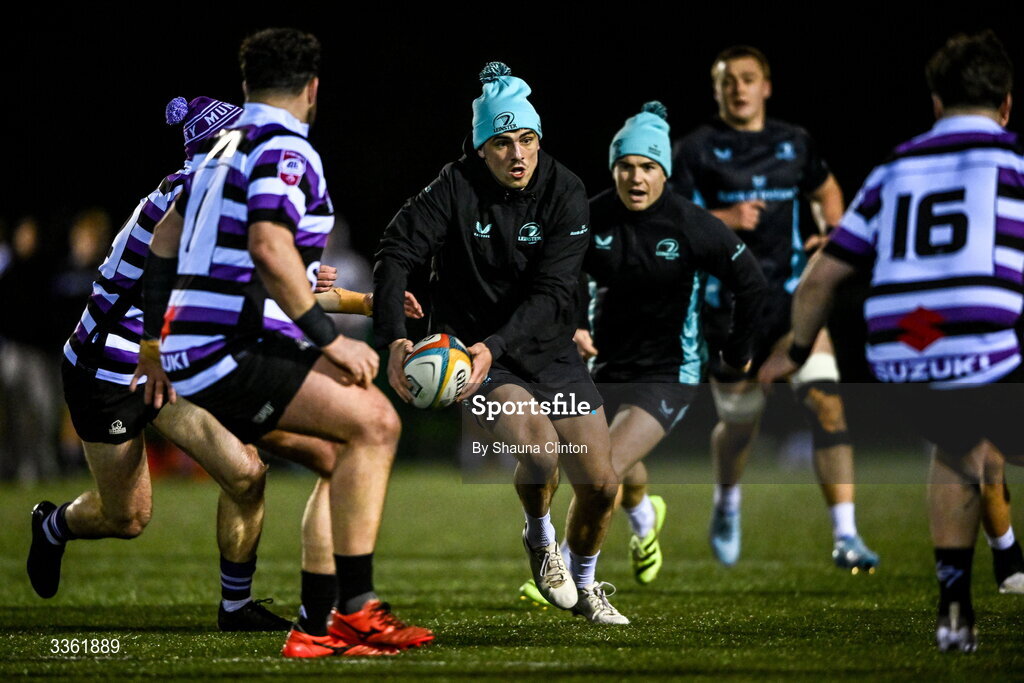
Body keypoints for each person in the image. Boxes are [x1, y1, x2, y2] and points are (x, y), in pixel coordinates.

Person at [140, 28, 431, 657]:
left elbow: (165, 236)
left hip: (196, 349)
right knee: (377, 422)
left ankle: (316, 626)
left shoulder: (222, 143)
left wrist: (152, 343)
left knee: (340, 457)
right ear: (313, 88)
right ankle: (355, 613)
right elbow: (269, 247)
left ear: (247, 86)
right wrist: (331, 342)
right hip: (229, 345)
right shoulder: (284, 146)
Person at [26, 93, 364, 635]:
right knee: (127, 518)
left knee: (246, 473)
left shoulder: (204, 197)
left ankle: (235, 608)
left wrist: (359, 300)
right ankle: (54, 526)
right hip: (108, 371)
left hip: (166, 366)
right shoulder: (189, 203)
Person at [759, 30, 1024, 652]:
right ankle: (996, 569)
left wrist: (794, 353)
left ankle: (955, 606)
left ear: (935, 103)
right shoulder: (1013, 164)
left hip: (901, 351)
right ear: (1006, 104)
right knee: (979, 414)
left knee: (959, 442)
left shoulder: (893, 170)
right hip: (979, 340)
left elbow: (820, 277)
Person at [373, 62, 627, 624]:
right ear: (480, 147)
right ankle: (540, 539)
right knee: (539, 452)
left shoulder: (566, 191)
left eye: (527, 140)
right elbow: (396, 251)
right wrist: (394, 338)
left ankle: (584, 587)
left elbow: (554, 290)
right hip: (469, 354)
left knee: (603, 485)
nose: (517, 154)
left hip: (546, 347)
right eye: (502, 142)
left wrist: (498, 341)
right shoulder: (454, 185)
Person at [520, 102, 765, 604]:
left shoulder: (690, 223)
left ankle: (561, 571)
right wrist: (576, 327)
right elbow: (558, 280)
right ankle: (644, 516)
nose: (636, 177)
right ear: (614, 168)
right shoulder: (590, 216)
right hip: (604, 367)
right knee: (616, 470)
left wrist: (737, 351)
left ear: (663, 173)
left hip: (670, 371)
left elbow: (752, 284)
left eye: (648, 167)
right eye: (626, 165)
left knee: (598, 464)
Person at [672, 45, 878, 570]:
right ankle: (727, 502)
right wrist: (724, 216)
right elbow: (669, 221)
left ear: (766, 86)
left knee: (828, 404)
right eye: (727, 81)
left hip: (793, 302)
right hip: (728, 312)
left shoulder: (794, 142)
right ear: (716, 90)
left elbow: (827, 189)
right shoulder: (695, 149)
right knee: (741, 424)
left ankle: (846, 534)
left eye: (748, 78)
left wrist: (830, 232)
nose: (738, 88)